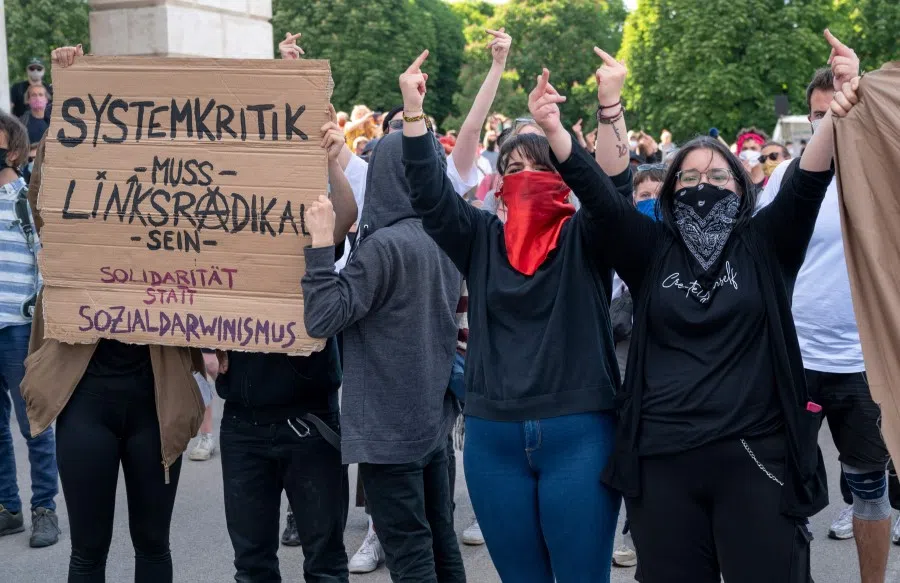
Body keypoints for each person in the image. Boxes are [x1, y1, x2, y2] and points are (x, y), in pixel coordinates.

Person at [585, 32, 858, 583]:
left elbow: (808, 182)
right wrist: (607, 105)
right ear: (668, 191)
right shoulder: (651, 250)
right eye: (687, 177)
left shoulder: (765, 241)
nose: (701, 185)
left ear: (741, 185)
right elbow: (602, 197)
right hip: (663, 460)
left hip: (755, 457)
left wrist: (841, 103)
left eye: (716, 176)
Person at [401, 44, 624, 581]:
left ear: (564, 177)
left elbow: (611, 193)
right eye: (511, 168)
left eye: (537, 166)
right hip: (492, 441)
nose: (523, 176)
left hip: (580, 435)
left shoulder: (586, 238)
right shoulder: (480, 239)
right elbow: (431, 198)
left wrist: (607, 105)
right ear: (498, 186)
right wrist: (413, 114)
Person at [19, 43, 207, 583]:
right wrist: (69, 98)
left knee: (152, 544)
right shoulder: (75, 209)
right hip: (84, 398)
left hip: (156, 395)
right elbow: (43, 197)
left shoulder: (173, 213)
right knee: (88, 552)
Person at [339, 28, 513, 576]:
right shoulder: (419, 216)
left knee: (413, 540)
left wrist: (494, 69)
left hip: (399, 410)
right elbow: (332, 148)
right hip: (431, 404)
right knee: (435, 533)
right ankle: (375, 537)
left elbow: (326, 313)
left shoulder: (420, 223)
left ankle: (378, 538)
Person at [758, 49, 893, 583]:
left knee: (870, 490)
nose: (827, 120)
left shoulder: (886, 172)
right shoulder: (786, 177)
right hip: (796, 358)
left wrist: (858, 82)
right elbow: (762, 255)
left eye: (835, 107)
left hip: (865, 364)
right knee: (781, 488)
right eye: (817, 114)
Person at [0, 111, 60, 549]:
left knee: (33, 423)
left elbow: (45, 265)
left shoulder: (25, 200)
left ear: (15, 151)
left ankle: (45, 509)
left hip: (19, 331)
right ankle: (8, 507)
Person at [610, 163, 666, 571]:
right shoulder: (621, 242)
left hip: (666, 364)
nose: (651, 202)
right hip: (626, 355)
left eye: (659, 196)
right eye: (643, 196)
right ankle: (633, 530)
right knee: (628, 441)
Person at [736, 127, 768, 192]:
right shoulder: (734, 180)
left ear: (763, 152)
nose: (748, 152)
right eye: (745, 149)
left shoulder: (771, 179)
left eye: (753, 148)